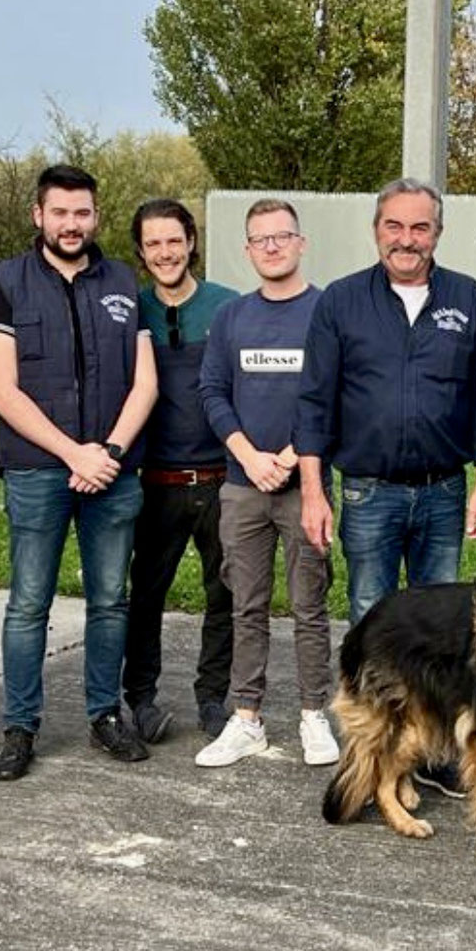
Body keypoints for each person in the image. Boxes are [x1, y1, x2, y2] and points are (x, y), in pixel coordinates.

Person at [296, 178, 476, 794]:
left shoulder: (466, 298)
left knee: (444, 631)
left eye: (420, 228)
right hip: (368, 493)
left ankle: (431, 752)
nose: (406, 240)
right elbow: (313, 402)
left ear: (438, 233)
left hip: (442, 491)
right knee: (373, 622)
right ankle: (379, 751)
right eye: (395, 226)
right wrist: (313, 490)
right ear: (376, 228)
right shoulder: (341, 302)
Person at [0, 164, 159, 781]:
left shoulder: (122, 281)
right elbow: (1, 390)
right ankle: (20, 726)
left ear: (95, 217)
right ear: (39, 216)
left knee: (111, 600)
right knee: (29, 604)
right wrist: (72, 454)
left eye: (82, 213)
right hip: (37, 472)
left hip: (113, 470)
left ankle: (105, 715)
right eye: (60, 212)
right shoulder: (8, 282)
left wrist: (106, 451)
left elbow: (145, 383)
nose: (71, 224)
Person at [194, 199, 338, 768]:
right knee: (245, 606)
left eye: (282, 236)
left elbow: (335, 397)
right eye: (261, 239)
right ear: (247, 249)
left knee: (310, 605)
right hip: (242, 484)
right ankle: (247, 717)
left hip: (305, 484)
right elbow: (212, 391)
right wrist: (249, 456)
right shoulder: (231, 317)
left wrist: (290, 455)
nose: (272, 246)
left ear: (301, 243)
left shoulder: (327, 312)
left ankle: (312, 714)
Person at [119, 199, 237, 743]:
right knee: (145, 595)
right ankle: (140, 699)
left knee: (225, 593)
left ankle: (213, 697)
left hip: (220, 480)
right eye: (153, 244)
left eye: (174, 240)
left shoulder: (228, 308)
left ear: (191, 241)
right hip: (154, 483)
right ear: (141, 253)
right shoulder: (129, 311)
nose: (165, 253)